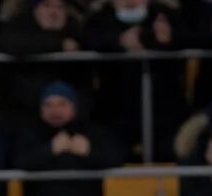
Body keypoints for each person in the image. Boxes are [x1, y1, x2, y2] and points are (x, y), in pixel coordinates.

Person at [80, 0, 191, 158]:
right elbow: (87, 41)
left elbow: (188, 41)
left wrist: (166, 42)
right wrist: (120, 41)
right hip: (114, 111)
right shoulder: (100, 18)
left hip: (165, 111)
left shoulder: (165, 15)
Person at [0, 0, 88, 122]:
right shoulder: (18, 26)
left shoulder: (75, 31)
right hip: (22, 112)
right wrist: (58, 44)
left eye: (60, 7)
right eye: (47, 5)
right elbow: (8, 44)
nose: (54, 12)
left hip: (68, 113)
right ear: (35, 10)